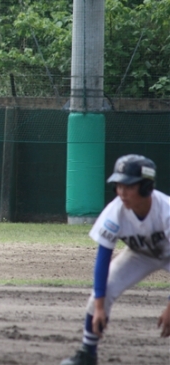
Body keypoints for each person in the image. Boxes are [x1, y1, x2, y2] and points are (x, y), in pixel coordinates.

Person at [60, 154, 170, 365]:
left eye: (129, 186)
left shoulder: (166, 210)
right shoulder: (115, 211)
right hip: (140, 255)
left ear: (146, 187)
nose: (122, 192)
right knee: (101, 293)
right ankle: (87, 353)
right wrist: (99, 307)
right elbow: (103, 258)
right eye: (119, 186)